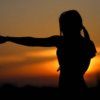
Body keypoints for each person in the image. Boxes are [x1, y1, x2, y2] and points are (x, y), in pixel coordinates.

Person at [0, 10, 96, 95]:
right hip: (79, 88)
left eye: (63, 25)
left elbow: (33, 41)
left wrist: (8, 38)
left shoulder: (62, 41)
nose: (62, 29)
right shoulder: (87, 43)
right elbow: (33, 41)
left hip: (69, 90)